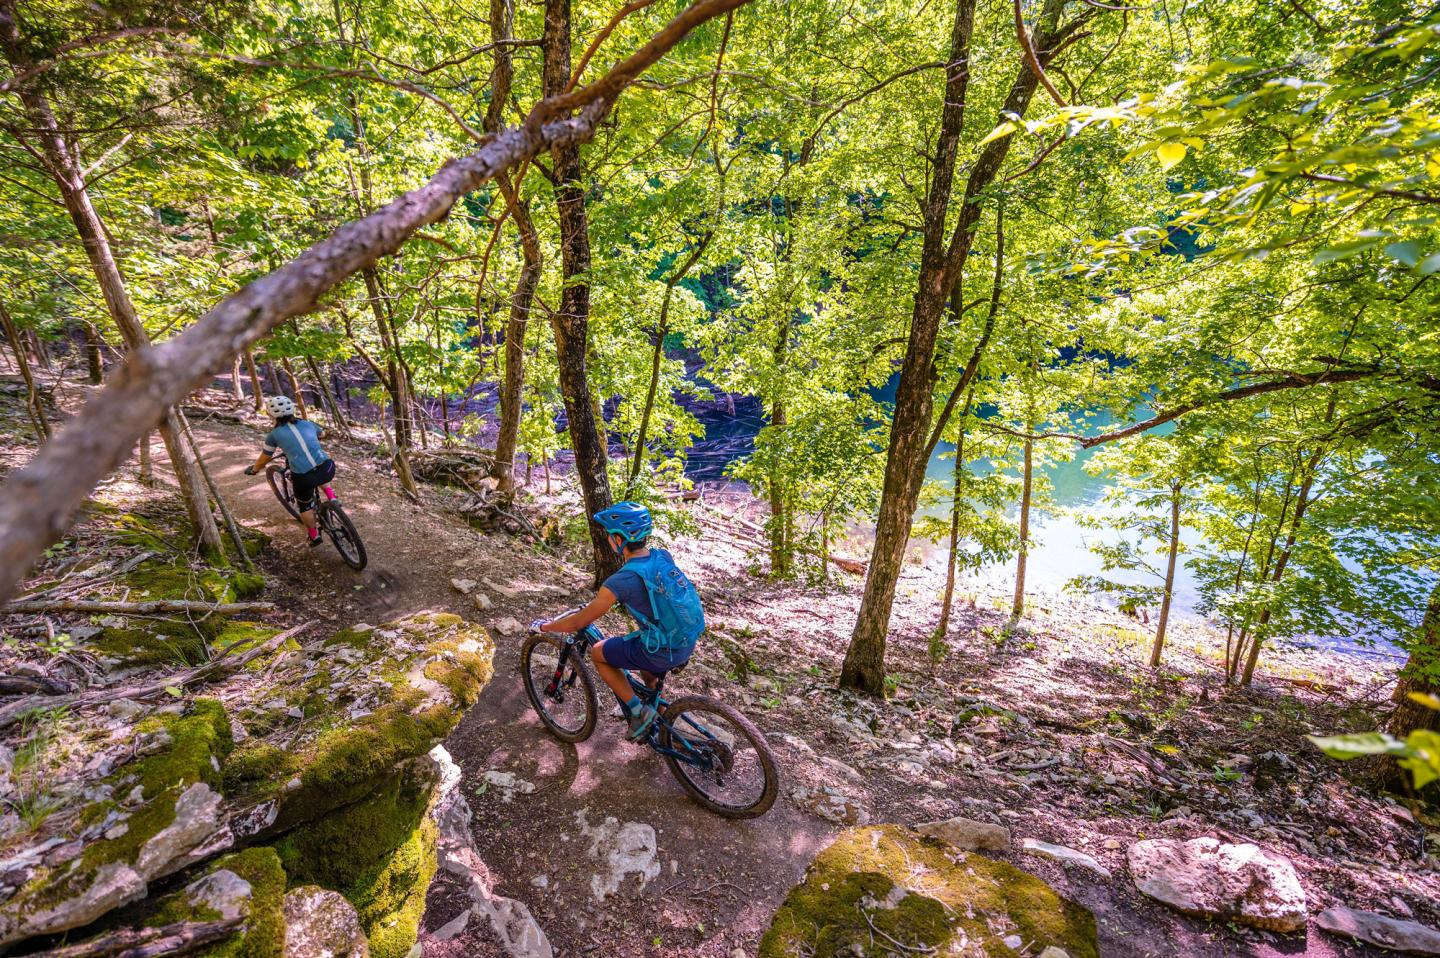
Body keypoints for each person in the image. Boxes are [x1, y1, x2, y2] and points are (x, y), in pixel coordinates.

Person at [532, 502, 705, 741]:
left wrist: (545, 626)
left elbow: (578, 622)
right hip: (685, 639)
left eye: (610, 536)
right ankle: (661, 714)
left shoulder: (621, 581)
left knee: (599, 652)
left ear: (618, 539)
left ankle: (638, 712)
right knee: (647, 669)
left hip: (663, 648)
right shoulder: (662, 556)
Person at [244, 396, 335, 547]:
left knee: (305, 505)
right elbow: (322, 434)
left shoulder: (273, 435)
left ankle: (313, 535)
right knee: (319, 469)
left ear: (271, 415)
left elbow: (264, 458)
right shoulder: (307, 423)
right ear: (292, 409)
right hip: (328, 468)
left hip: (304, 478)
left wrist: (254, 469)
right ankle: (332, 498)